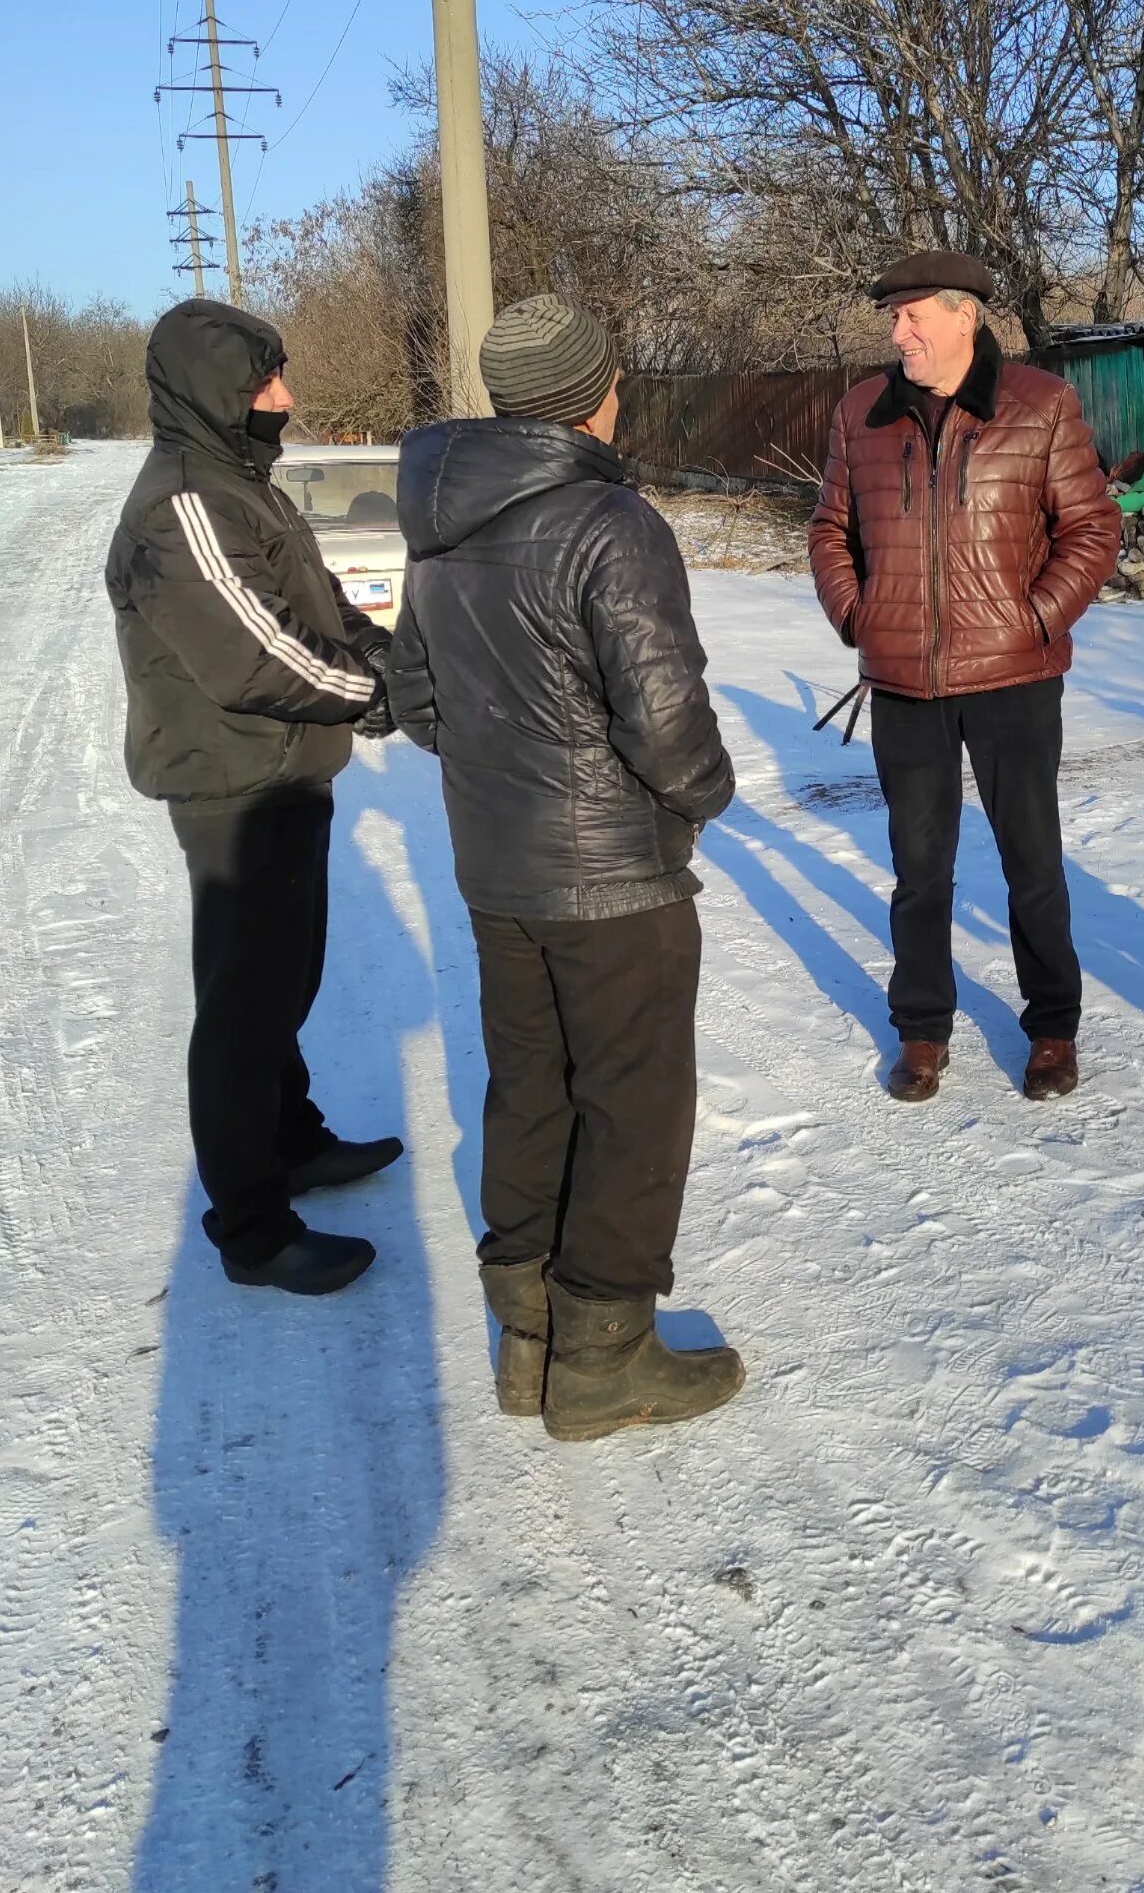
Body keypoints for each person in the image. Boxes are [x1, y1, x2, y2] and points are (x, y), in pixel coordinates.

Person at [387, 293, 741, 1439]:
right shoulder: (609, 521)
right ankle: (602, 1355)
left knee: (531, 1091)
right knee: (634, 1103)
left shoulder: (438, 525)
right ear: (596, 393)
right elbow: (663, 713)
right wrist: (702, 797)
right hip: (614, 881)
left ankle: (526, 1332)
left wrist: (507, 767)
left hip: (499, 872)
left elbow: (416, 699)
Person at [105, 299, 401, 1296]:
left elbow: (309, 605)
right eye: (262, 384)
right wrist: (373, 692)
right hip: (236, 780)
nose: (285, 398)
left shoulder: (241, 485)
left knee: (282, 983)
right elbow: (254, 654)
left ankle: (293, 1139)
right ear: (211, 395)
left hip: (278, 772)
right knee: (242, 1006)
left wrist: (383, 652)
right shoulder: (184, 501)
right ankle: (252, 1226)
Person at [809, 250, 1121, 1104]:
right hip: (904, 682)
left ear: (964, 317)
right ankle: (920, 1030)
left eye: (912, 315)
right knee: (919, 867)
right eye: (893, 316)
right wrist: (857, 615)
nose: (896, 331)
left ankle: (1052, 1026)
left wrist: (1034, 620)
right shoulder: (861, 413)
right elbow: (829, 531)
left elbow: (1091, 530)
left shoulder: (1039, 405)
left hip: (1014, 680)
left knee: (1032, 863)